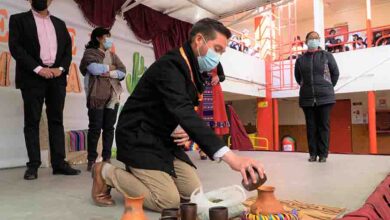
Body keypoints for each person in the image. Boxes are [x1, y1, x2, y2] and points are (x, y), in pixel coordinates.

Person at [90, 18, 265, 210]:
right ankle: (105, 172)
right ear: (199, 40)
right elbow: (183, 110)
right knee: (167, 201)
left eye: (222, 52)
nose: (219, 57)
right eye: (217, 49)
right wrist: (233, 158)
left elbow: (175, 108)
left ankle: (146, 175)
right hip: (138, 137)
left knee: (193, 194)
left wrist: (181, 128)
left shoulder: (193, 69)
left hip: (163, 139)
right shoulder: (170, 66)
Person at [8, 0, 80, 180]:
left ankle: (59, 163)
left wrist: (60, 69)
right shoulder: (18, 19)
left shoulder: (59, 23)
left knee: (56, 120)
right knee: (32, 121)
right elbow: (16, 48)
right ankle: (33, 166)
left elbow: (67, 52)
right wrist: (39, 69)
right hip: (32, 77)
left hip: (57, 78)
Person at [79, 27, 126, 171]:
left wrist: (109, 72)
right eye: (107, 36)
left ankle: (106, 158)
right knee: (95, 128)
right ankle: (91, 160)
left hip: (113, 96)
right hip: (97, 96)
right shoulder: (90, 53)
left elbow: (123, 71)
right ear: (98, 38)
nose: (109, 39)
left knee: (109, 128)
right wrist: (112, 68)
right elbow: (93, 69)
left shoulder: (112, 55)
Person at [294, 31, 339, 163]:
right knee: (311, 127)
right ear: (306, 41)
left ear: (319, 41)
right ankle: (313, 154)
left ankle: (323, 154)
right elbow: (298, 78)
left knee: (323, 126)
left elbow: (335, 73)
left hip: (325, 97)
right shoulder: (300, 60)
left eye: (316, 38)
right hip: (307, 99)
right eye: (311, 38)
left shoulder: (327, 56)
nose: (313, 40)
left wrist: (327, 87)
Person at [197, 63, 230, 160]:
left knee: (216, 119)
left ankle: (216, 149)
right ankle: (203, 150)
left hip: (215, 92)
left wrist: (218, 78)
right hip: (204, 91)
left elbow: (223, 76)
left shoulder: (216, 61)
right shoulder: (199, 61)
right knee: (205, 121)